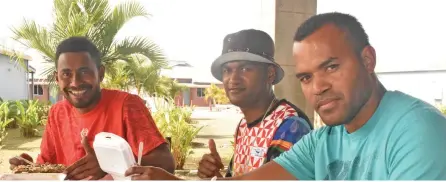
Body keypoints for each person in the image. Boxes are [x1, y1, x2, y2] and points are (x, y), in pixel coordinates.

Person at [123, 12, 446, 180]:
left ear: (367, 60)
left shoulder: (416, 130)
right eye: (306, 77)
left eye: (331, 67)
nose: (317, 87)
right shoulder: (326, 140)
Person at [128, 29, 313, 180]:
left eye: (245, 68)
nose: (233, 78)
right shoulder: (243, 126)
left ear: (270, 74)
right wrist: (215, 176)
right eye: (227, 70)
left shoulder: (290, 126)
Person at [9, 37, 175, 180]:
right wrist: (29, 169)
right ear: (57, 78)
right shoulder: (57, 113)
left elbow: (167, 164)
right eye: (66, 74)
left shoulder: (126, 105)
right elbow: (49, 166)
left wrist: (110, 164)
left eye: (84, 72)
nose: (75, 82)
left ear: (100, 73)